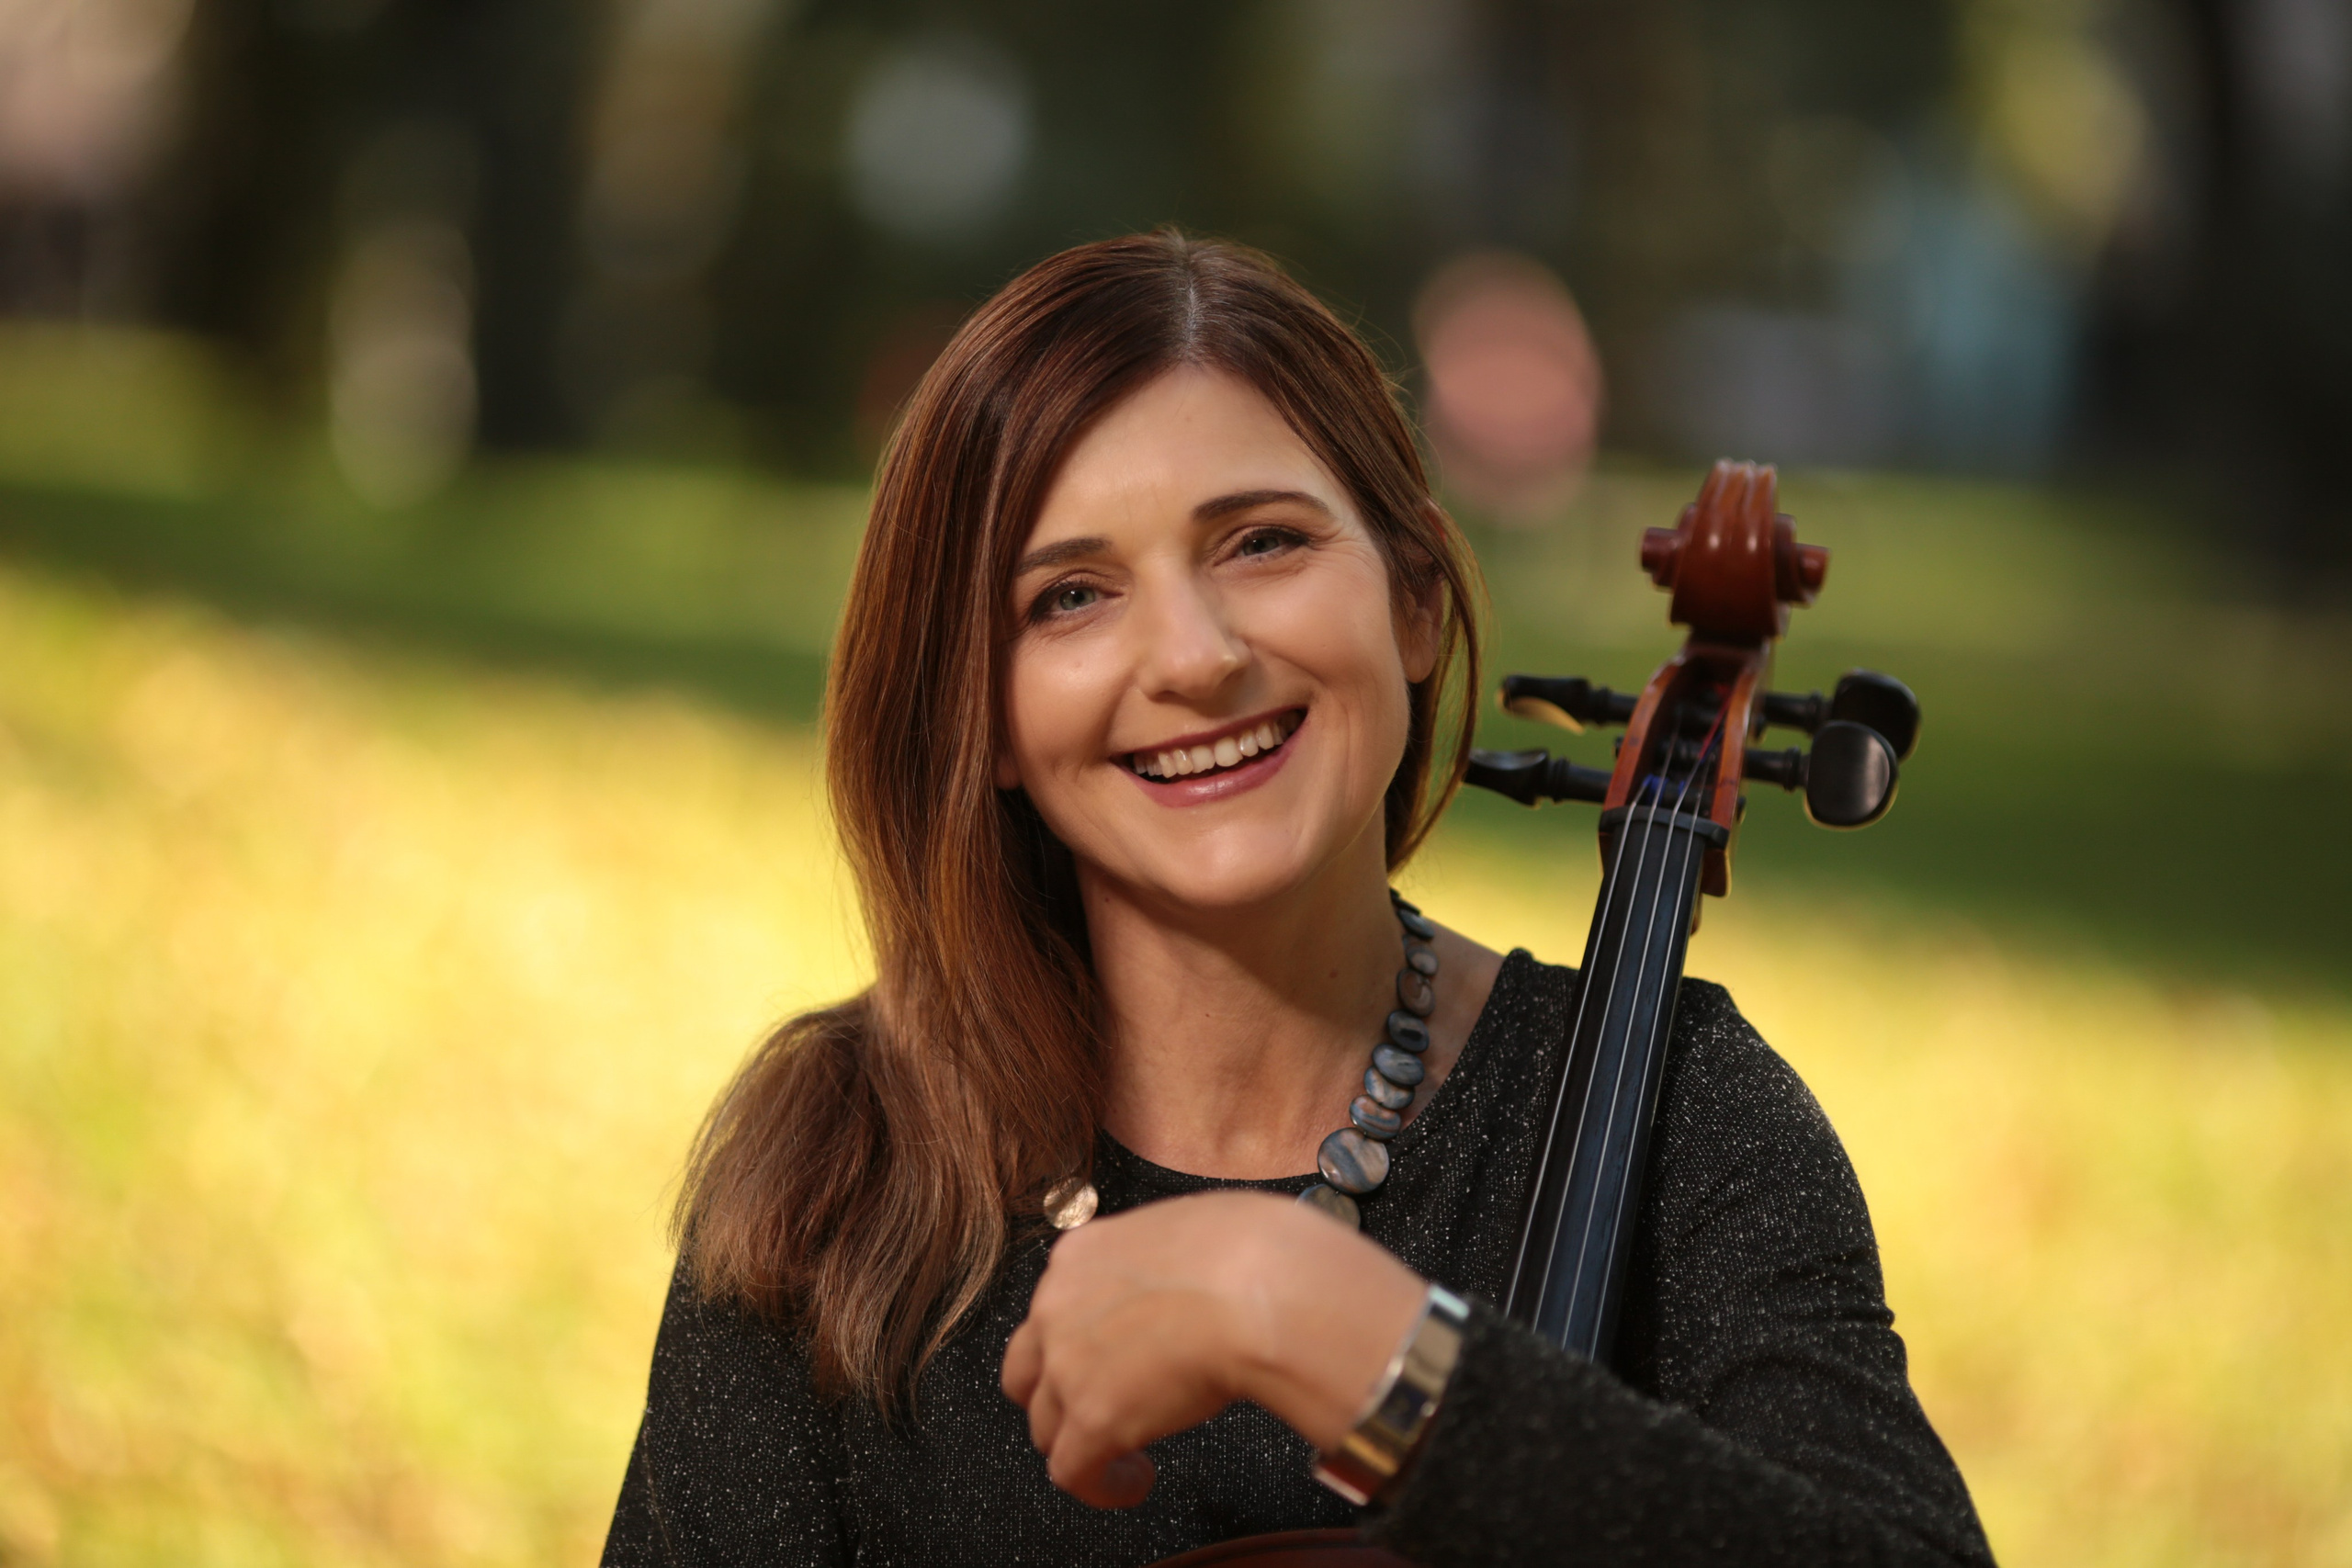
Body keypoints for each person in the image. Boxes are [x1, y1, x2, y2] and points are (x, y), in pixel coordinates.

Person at [601, 231, 1994, 1568]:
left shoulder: (1683, 1116)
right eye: (1072, 597)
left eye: (1262, 543)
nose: (1196, 659)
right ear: (987, 718)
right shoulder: (843, 1173)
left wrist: (1334, 1331)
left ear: (1416, 603)